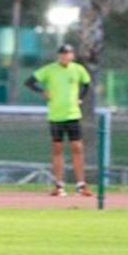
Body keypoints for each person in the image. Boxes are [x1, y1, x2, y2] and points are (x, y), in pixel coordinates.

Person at [25, 44, 93, 197]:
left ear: (72, 55)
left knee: (77, 148)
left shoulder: (77, 69)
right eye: (62, 54)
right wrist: (42, 91)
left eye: (67, 53)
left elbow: (87, 84)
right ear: (58, 56)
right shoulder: (50, 69)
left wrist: (80, 98)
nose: (64, 56)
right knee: (57, 149)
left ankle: (81, 185)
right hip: (56, 115)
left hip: (73, 115)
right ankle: (59, 185)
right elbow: (29, 81)